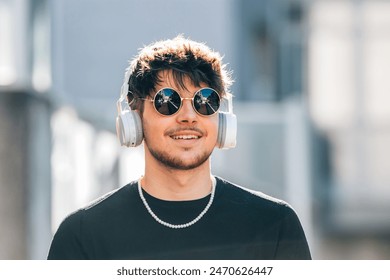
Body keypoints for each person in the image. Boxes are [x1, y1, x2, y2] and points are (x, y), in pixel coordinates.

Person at [47, 36, 311, 260]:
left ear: (221, 118)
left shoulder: (275, 225)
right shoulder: (82, 235)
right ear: (134, 118)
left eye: (204, 101)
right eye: (167, 101)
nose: (189, 116)